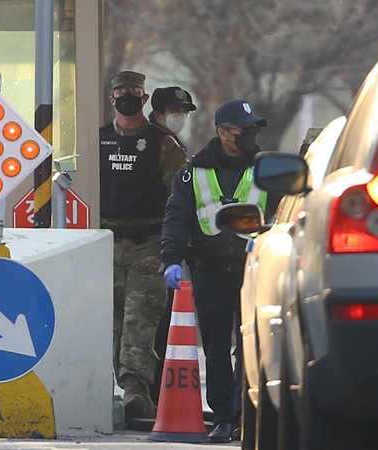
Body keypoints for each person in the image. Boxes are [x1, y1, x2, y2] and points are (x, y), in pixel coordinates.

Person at [161, 100, 277, 443]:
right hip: (209, 271)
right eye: (244, 130)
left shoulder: (266, 168)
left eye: (254, 129)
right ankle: (223, 418)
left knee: (251, 345)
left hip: (254, 270)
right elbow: (177, 218)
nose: (251, 136)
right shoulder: (192, 172)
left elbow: (285, 212)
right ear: (223, 133)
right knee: (215, 347)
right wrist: (172, 259)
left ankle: (247, 416)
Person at [100, 70, 187, 422]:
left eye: (134, 91)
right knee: (113, 323)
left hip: (149, 244)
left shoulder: (163, 144)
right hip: (106, 243)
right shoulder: (99, 141)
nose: (127, 97)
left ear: (144, 98)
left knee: (140, 319)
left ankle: (136, 391)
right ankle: (121, 389)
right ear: (112, 99)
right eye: (121, 92)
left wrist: (175, 249)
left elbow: (180, 198)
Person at [146, 86, 197, 407]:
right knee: (153, 320)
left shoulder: (174, 144)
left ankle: (156, 392)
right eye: (175, 111)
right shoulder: (155, 142)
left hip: (168, 239)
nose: (181, 117)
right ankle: (153, 392)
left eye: (185, 112)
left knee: (160, 319)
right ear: (159, 112)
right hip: (153, 240)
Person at [148, 86, 196, 155]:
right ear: (157, 115)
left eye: (185, 112)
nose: (182, 115)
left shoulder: (180, 144)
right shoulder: (149, 142)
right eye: (175, 111)